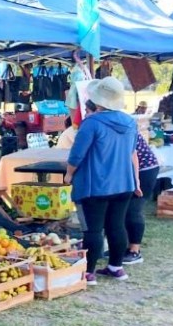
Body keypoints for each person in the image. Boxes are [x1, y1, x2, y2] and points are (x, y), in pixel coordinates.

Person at [64, 77, 138, 285]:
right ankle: (116, 267)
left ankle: (89, 273)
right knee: (116, 225)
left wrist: (69, 174)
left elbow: (77, 155)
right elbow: (131, 152)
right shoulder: (130, 122)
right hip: (124, 184)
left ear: (96, 102)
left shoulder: (92, 123)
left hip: (95, 186)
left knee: (93, 229)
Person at [123, 133, 159, 264]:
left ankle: (134, 251)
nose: (86, 113)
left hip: (144, 170)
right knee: (123, 210)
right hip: (130, 171)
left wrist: (136, 181)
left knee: (133, 209)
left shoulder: (122, 127)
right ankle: (123, 247)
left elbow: (132, 155)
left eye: (88, 111)